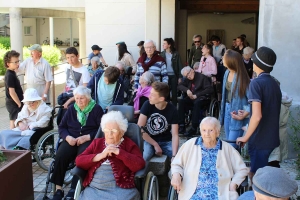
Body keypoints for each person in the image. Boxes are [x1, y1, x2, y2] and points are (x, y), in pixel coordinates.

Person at [171, 117, 249, 200]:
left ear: (218, 132)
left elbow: (242, 169)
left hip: (219, 194)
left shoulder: (228, 149)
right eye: (204, 130)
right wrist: (176, 175)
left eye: (211, 130)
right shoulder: (190, 145)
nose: (207, 134)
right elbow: (176, 164)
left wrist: (233, 184)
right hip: (192, 194)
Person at [75, 111, 145, 200]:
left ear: (122, 131)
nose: (110, 134)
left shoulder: (129, 144)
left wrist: (119, 152)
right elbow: (79, 161)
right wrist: (100, 155)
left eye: (114, 131)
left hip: (120, 187)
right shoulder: (97, 143)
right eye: (107, 130)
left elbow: (139, 164)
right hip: (95, 187)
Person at [236, 47, 282, 182]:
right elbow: (268, 109)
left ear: (257, 64)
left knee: (258, 181)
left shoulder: (256, 83)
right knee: (269, 178)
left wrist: (245, 137)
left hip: (260, 140)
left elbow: (257, 116)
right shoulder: (274, 83)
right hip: (272, 139)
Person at [51, 86, 103, 200]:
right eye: (77, 98)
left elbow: (102, 129)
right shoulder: (71, 109)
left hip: (87, 139)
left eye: (82, 98)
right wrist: (67, 137)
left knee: (82, 158)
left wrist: (88, 137)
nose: (79, 101)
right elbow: (62, 127)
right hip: (71, 139)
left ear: (88, 98)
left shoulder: (96, 109)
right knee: (61, 155)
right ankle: (58, 189)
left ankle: (74, 188)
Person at [137, 82, 179, 161]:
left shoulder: (172, 109)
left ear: (161, 99)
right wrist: (155, 144)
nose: (149, 96)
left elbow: (175, 135)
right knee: (145, 156)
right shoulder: (147, 104)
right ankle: (142, 173)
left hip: (166, 141)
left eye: (152, 95)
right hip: (148, 140)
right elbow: (139, 129)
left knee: (179, 158)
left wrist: (174, 156)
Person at [219, 50, 250, 148]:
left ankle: (234, 162)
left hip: (237, 113)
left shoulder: (242, 77)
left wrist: (246, 112)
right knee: (229, 142)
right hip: (227, 109)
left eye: (224, 58)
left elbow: (253, 100)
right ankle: (235, 162)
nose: (222, 59)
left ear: (230, 61)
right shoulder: (227, 72)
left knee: (231, 145)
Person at [177, 66, 214, 136]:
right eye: (186, 76)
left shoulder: (202, 77)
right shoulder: (187, 79)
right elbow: (179, 86)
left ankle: (194, 127)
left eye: (188, 74)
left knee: (197, 103)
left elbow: (210, 89)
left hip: (202, 98)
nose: (188, 76)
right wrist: (187, 90)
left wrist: (197, 95)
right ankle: (181, 125)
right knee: (181, 102)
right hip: (191, 98)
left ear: (192, 70)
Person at [160, 38, 183, 106]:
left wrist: (180, 77)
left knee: (174, 93)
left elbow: (179, 66)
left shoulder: (176, 54)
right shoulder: (162, 54)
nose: (163, 45)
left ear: (169, 45)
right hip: (165, 76)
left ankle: (174, 109)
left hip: (174, 75)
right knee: (165, 92)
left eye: (164, 43)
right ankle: (166, 107)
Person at [3, 50, 24, 129]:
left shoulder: (12, 73)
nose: (18, 64)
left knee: (14, 121)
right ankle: (12, 138)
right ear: (8, 64)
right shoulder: (9, 75)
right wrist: (19, 103)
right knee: (15, 122)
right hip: (13, 103)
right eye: (15, 62)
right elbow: (12, 92)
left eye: (18, 61)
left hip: (13, 103)